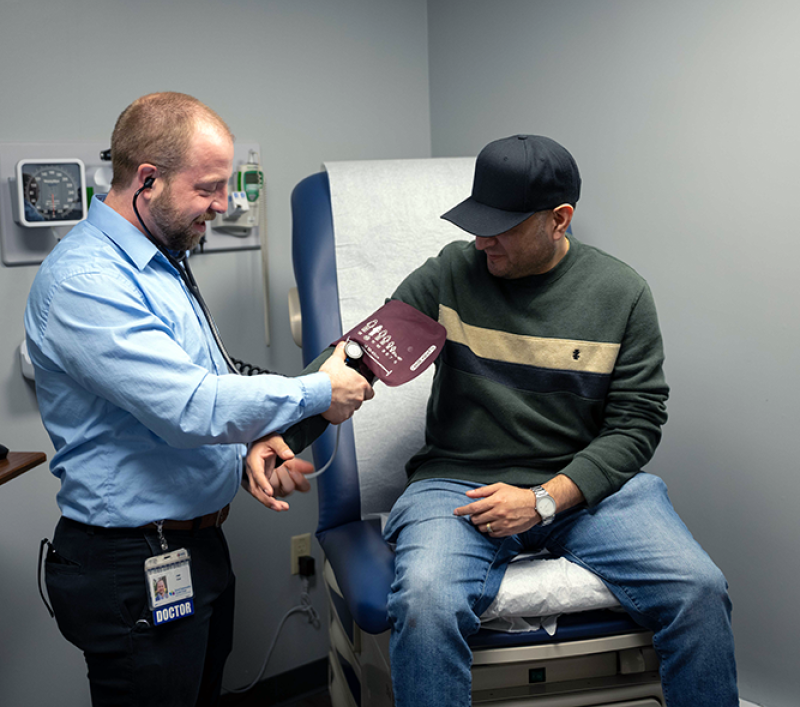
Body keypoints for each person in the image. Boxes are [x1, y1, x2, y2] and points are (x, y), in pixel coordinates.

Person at [284, 134, 739, 707]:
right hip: (458, 482)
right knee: (425, 600)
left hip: (582, 486)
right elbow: (357, 358)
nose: (481, 240)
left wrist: (545, 499)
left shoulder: (621, 294)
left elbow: (637, 424)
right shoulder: (453, 273)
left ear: (559, 219)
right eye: (477, 222)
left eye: (501, 227)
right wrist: (279, 433)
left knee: (699, 590)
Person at [25, 91, 373, 707]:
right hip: (133, 560)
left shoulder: (162, 263)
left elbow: (198, 384)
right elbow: (191, 406)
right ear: (148, 180)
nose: (223, 203)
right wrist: (321, 390)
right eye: (209, 187)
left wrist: (246, 454)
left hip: (194, 547)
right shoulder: (89, 281)